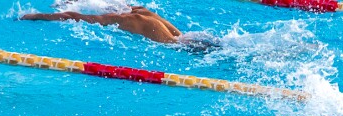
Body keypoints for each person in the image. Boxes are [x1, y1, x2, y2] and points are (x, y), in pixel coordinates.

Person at [21, 5, 218, 50]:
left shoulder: (115, 18)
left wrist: (37, 16)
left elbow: (73, 17)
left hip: (181, 48)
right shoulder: (141, 10)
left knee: (182, 46)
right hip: (191, 39)